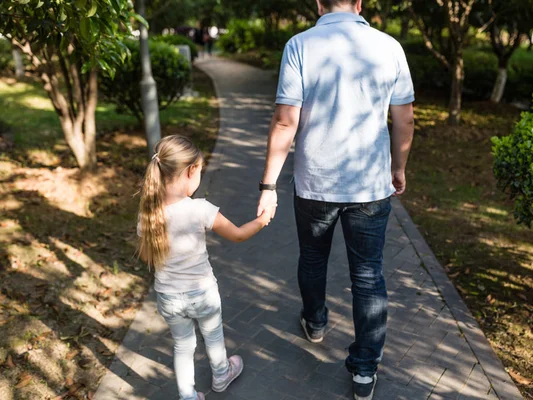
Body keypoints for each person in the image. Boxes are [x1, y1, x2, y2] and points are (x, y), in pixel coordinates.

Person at [256, 1, 415, 399]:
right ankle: (364, 371)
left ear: (318, 3)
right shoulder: (389, 47)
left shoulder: (300, 46)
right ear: (359, 4)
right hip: (371, 186)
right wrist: (399, 168)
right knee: (368, 275)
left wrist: (268, 185)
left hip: (315, 184)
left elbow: (285, 120)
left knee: (312, 258)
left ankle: (316, 322)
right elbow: (405, 119)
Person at [137, 135, 276, 400]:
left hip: (168, 296)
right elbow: (236, 235)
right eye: (200, 170)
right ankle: (222, 375)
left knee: (183, 345)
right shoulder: (199, 209)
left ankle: (188, 396)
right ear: (190, 172)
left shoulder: (148, 214)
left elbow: (148, 257)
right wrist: (262, 220)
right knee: (213, 335)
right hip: (202, 292)